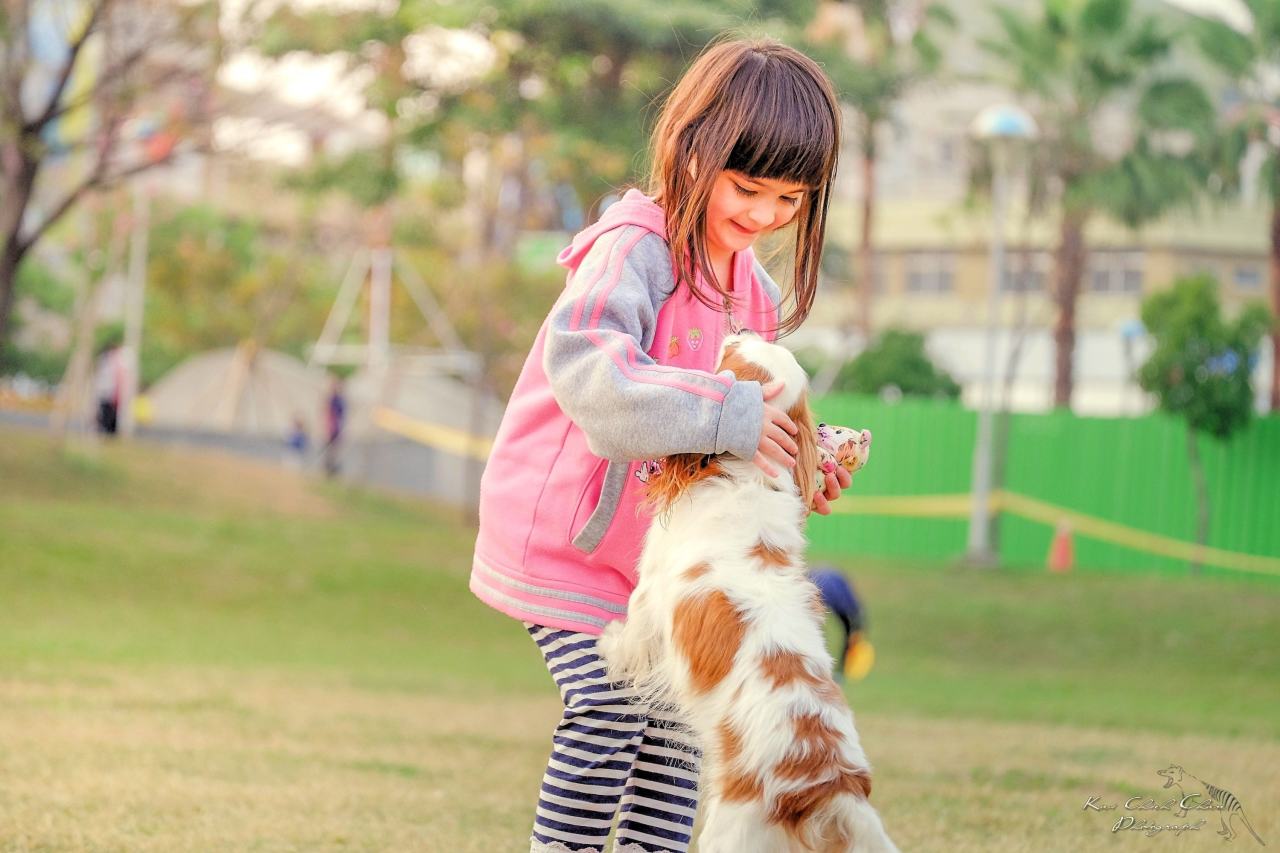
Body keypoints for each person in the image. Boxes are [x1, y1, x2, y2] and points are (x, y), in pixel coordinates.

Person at [469, 38, 852, 853]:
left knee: (681, 726)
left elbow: (744, 424)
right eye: (746, 188)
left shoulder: (754, 288)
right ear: (691, 149)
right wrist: (739, 415)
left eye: (790, 199)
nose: (763, 215)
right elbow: (596, 383)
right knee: (608, 705)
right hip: (568, 542)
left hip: (666, 558)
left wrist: (802, 456)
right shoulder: (633, 251)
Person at [322, 376, 345, 477]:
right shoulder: (332, 399)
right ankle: (329, 468)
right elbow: (328, 413)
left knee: (334, 449)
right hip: (332, 428)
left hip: (337, 428)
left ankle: (332, 469)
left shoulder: (340, 400)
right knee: (330, 449)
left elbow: (342, 414)